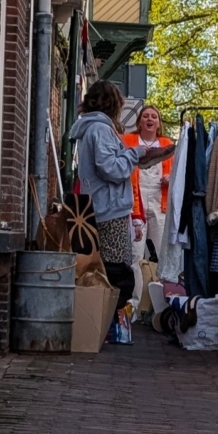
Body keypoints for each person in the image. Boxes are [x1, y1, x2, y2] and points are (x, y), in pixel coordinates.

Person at [72, 80, 154, 346]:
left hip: (98, 206)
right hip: (110, 209)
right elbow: (112, 169)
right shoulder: (101, 130)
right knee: (116, 269)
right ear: (114, 105)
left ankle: (102, 323)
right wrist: (135, 154)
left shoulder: (89, 129)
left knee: (104, 267)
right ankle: (109, 326)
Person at [122, 105, 179, 294]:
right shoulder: (128, 141)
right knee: (135, 254)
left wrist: (171, 178)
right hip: (134, 204)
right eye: (145, 115)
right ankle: (134, 305)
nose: (150, 119)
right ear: (139, 121)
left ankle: (158, 304)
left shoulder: (167, 144)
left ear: (158, 123)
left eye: (154, 116)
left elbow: (179, 173)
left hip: (159, 203)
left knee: (160, 255)